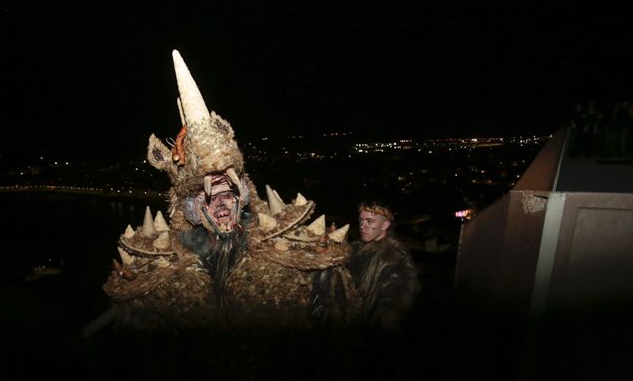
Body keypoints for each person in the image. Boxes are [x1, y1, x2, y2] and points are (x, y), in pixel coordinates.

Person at [102, 50, 359, 333]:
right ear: (194, 211)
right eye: (210, 198)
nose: (222, 203)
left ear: (242, 198)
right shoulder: (168, 271)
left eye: (228, 194)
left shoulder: (281, 256)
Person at [348, 199, 420, 334]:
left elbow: (396, 305)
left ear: (385, 225)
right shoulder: (354, 248)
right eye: (361, 220)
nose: (363, 226)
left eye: (370, 221)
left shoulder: (395, 257)